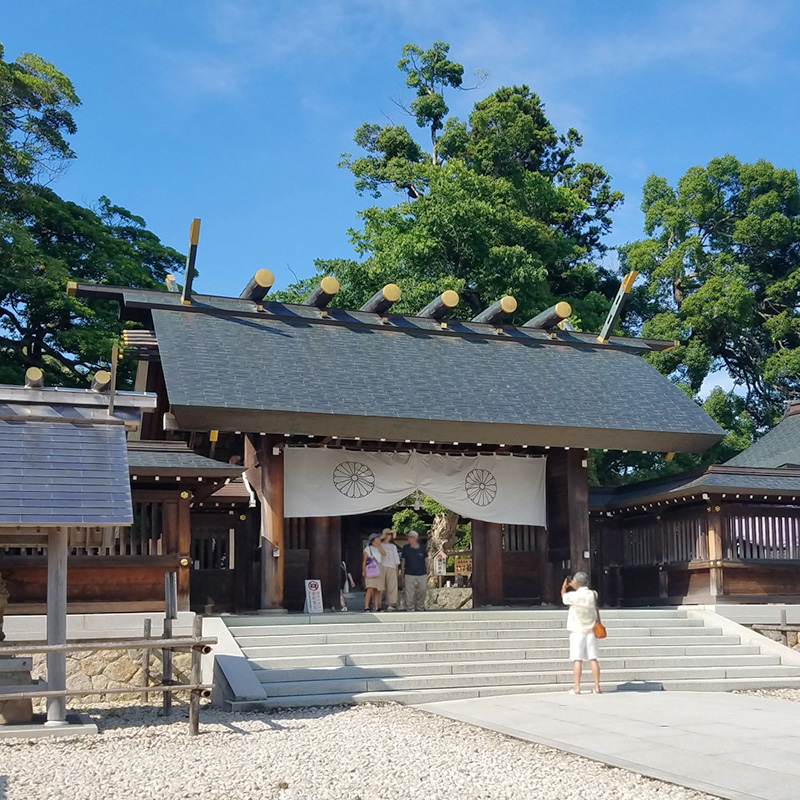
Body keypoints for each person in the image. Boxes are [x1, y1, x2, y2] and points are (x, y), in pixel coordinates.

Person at [561, 571, 601, 695]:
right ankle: (597, 686)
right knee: (593, 658)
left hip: (578, 630)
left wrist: (565, 586)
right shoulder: (593, 594)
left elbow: (563, 596)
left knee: (577, 659)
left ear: (576, 582)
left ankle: (577, 688)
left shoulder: (573, 596)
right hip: (591, 631)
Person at [400, 530, 428, 611]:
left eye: (411, 537)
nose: (409, 539)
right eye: (409, 537)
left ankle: (420, 605)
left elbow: (426, 559)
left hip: (422, 572)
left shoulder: (422, 547)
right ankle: (410, 607)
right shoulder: (406, 548)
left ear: (415, 538)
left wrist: (428, 568)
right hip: (409, 572)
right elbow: (403, 560)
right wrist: (402, 570)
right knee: (409, 591)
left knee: (422, 590)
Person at [362, 533, 386, 612]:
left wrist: (378, 546)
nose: (379, 539)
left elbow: (384, 554)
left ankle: (376, 606)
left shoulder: (380, 547)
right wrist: (363, 570)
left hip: (379, 568)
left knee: (377, 589)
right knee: (370, 588)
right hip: (371, 568)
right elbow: (364, 560)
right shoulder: (367, 549)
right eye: (377, 538)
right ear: (373, 540)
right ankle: (366, 607)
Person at [379, 528, 400, 611]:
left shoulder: (393, 546)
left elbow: (396, 559)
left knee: (391, 586)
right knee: (380, 586)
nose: (390, 536)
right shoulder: (379, 545)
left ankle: (390, 604)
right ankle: (378, 604)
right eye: (388, 534)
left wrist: (396, 570)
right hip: (381, 567)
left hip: (391, 567)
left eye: (391, 534)